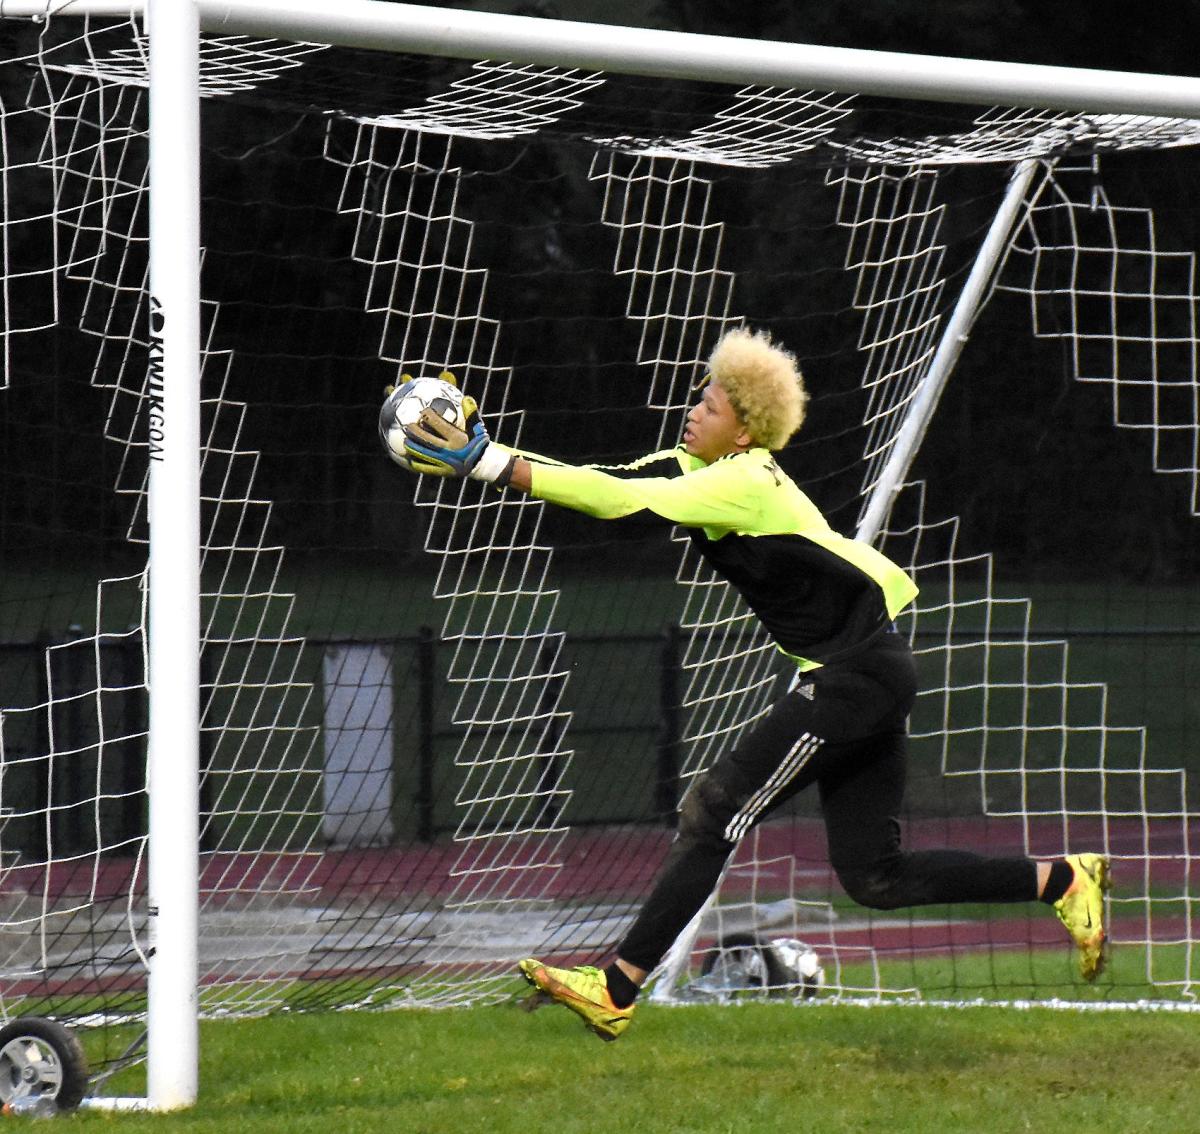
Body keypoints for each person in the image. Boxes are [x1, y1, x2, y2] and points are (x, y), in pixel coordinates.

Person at [396, 327, 1112, 1042]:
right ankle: (1062, 881)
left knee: (715, 811)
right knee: (876, 877)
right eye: (698, 400)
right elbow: (609, 481)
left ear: (744, 430)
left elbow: (615, 501)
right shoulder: (695, 469)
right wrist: (497, 456)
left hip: (853, 678)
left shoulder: (742, 481)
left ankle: (617, 989)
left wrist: (486, 464)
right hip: (866, 671)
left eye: (710, 406)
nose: (693, 411)